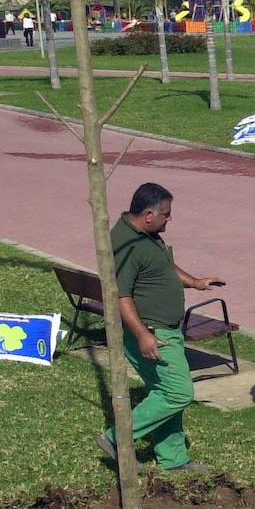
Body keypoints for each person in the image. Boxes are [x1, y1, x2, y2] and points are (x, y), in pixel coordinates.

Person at [95, 182, 225, 473]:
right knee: (178, 392)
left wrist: (194, 282)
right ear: (149, 215)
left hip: (165, 329)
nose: (170, 218)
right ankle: (117, 439)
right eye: (166, 214)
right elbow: (121, 296)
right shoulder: (125, 245)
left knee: (165, 390)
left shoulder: (146, 235)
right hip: (154, 333)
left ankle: (173, 459)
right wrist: (143, 335)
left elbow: (164, 267)